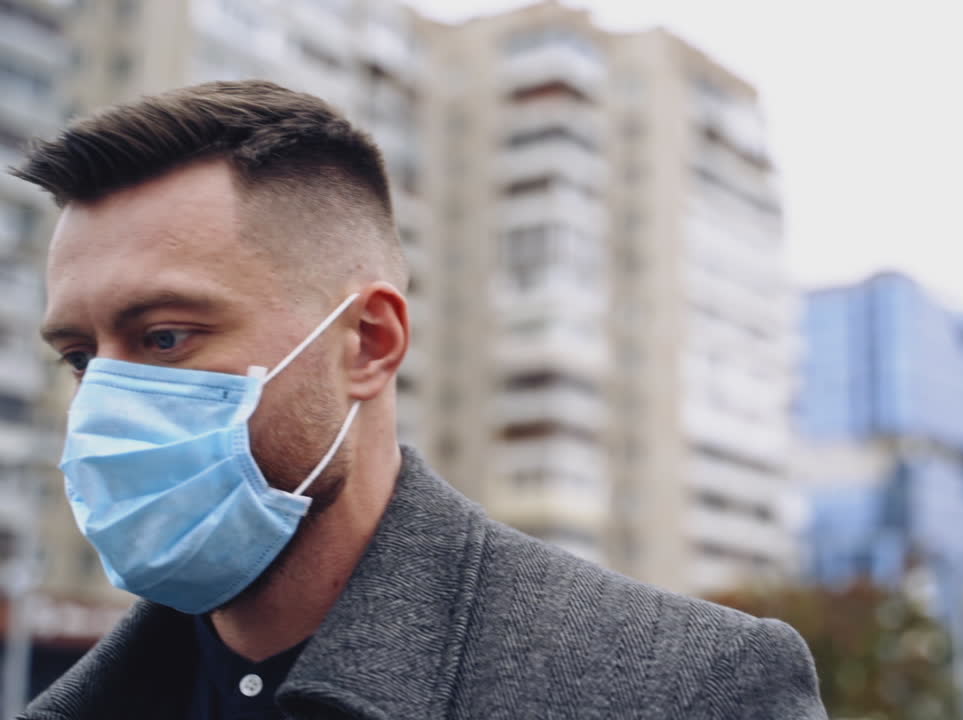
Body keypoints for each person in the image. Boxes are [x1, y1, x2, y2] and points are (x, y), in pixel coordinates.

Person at [11, 80, 824, 719]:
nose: (106, 404)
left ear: (368, 341)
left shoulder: (679, 688)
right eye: (80, 359)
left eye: (164, 338)